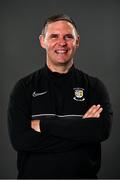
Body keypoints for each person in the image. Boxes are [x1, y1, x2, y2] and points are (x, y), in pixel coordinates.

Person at [8, 14, 113, 179]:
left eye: (68, 36)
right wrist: (81, 129)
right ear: (42, 41)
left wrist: (45, 125)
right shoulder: (24, 88)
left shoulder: (94, 87)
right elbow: (21, 140)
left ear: (77, 41)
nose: (62, 43)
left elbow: (101, 130)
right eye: (54, 36)